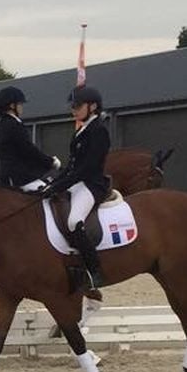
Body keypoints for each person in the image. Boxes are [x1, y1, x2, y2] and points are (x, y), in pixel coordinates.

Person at [43, 85, 111, 296]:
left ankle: (94, 270)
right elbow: (72, 166)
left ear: (92, 106)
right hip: (78, 182)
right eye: (72, 106)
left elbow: (87, 168)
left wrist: (60, 185)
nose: (73, 110)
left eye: (77, 106)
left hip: (92, 184)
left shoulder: (98, 130)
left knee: (74, 222)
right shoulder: (82, 129)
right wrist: (53, 183)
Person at [0, 87, 56, 190]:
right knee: (51, 195)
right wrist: (50, 161)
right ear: (12, 106)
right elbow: (29, 150)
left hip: (4, 176)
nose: (22, 107)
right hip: (21, 178)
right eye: (20, 104)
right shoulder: (15, 125)